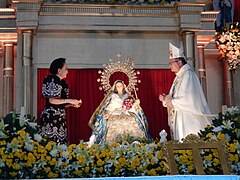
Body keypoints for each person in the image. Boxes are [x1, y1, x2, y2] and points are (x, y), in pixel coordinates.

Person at [159, 43, 212, 141]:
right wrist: (166, 98)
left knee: (188, 142)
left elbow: (189, 99)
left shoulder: (188, 75)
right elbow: (175, 97)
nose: (170, 65)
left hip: (188, 117)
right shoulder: (179, 77)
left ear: (179, 62)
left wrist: (172, 102)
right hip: (180, 115)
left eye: (171, 62)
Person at [88, 80, 150, 146]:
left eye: (121, 86)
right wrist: (107, 113)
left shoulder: (127, 96)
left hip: (127, 112)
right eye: (118, 86)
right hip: (115, 113)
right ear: (115, 88)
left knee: (132, 120)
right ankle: (112, 144)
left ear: (123, 86)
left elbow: (133, 107)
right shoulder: (113, 96)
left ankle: (135, 141)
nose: (119, 87)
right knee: (114, 122)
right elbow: (109, 107)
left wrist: (136, 104)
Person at [39, 57, 82, 144]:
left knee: (60, 142)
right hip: (50, 117)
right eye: (65, 69)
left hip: (60, 117)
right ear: (59, 70)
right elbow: (52, 100)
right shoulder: (52, 79)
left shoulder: (63, 83)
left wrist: (72, 104)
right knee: (50, 142)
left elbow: (60, 102)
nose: (67, 71)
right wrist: (70, 100)